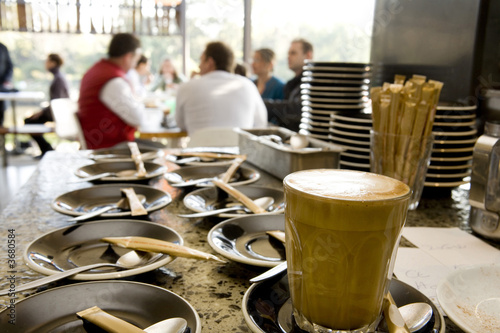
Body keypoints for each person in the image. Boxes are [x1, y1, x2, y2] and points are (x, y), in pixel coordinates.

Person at [175, 41, 267, 136]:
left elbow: (181, 124)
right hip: (241, 150)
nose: (199, 66)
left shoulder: (186, 87)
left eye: (201, 61)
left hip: (198, 150)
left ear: (210, 62)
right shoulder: (248, 85)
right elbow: (261, 123)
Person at [78, 33, 144, 149]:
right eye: (136, 60)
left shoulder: (99, 70)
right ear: (128, 57)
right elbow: (138, 118)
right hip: (110, 147)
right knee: (166, 154)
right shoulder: (113, 81)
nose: (134, 65)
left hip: (101, 142)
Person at [24, 53, 70, 157]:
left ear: (53, 63)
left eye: (47, 61)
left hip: (57, 113)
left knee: (29, 122)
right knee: (30, 121)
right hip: (55, 112)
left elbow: (57, 102)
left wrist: (42, 112)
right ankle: (46, 149)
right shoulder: (58, 76)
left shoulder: (58, 78)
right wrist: (42, 111)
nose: (45, 64)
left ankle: (47, 150)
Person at [265, 38, 313, 132]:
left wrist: (264, 105)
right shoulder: (290, 85)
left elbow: (298, 109)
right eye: (288, 53)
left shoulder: (313, 84)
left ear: (308, 55)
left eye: (293, 53)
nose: (288, 57)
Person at [0, 42, 14, 127]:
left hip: (1, 87)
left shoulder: (3, 48)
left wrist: (6, 80)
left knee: (0, 117)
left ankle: (1, 139)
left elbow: (10, 66)